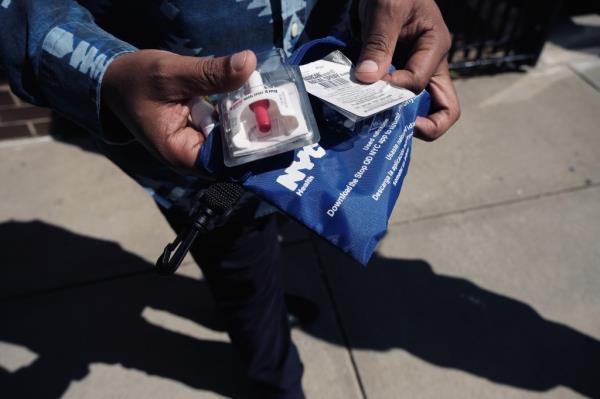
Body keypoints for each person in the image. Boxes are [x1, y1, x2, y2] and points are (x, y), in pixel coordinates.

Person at [0, 0, 459, 397]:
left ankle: (259, 302)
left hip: (322, 99)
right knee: (241, 270)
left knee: (270, 243)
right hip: (192, 139)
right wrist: (107, 71)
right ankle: (274, 379)